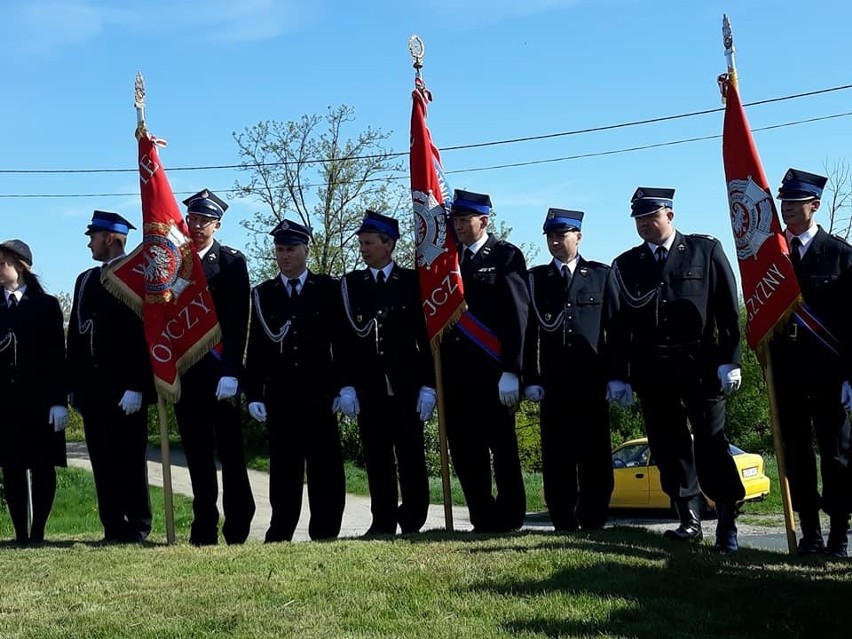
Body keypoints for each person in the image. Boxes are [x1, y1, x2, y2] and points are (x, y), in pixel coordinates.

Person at [607, 187, 745, 552]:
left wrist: (731, 358)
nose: (644, 225)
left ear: (669, 215)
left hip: (700, 365)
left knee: (712, 445)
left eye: (650, 217)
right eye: (638, 219)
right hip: (654, 369)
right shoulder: (626, 264)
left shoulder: (705, 250)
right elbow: (618, 325)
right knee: (668, 446)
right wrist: (619, 375)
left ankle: (727, 521)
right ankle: (689, 519)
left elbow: (727, 310)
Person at [244, 219, 346, 542]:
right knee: (284, 470)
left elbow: (341, 343)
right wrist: (254, 393)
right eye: (279, 249)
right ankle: (281, 531)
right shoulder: (263, 294)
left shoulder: (328, 289)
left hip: (320, 395)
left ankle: (326, 531)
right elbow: (257, 348)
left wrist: (344, 386)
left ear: (306, 250)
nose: (284, 256)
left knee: (325, 469)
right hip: (281, 396)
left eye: (290, 249)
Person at [337, 210, 435, 536]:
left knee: (410, 458)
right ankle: (382, 522)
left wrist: (429, 385)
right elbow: (345, 342)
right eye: (361, 243)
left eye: (369, 243)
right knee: (377, 459)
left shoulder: (412, 282)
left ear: (388, 244)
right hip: (370, 388)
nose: (363, 249)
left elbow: (427, 338)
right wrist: (346, 385)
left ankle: (412, 521)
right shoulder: (352, 285)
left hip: (407, 387)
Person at [770, 169, 852, 558]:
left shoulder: (839, 254)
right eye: (784, 202)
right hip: (786, 374)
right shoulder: (772, 257)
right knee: (796, 454)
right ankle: (810, 532)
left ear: (814, 205)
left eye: (795, 202)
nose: (787, 209)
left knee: (836, 455)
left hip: (829, 374)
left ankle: (838, 533)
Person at [439, 189, 530, 533]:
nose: (458, 226)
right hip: (457, 375)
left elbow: (517, 316)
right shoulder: (447, 262)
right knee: (465, 451)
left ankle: (510, 517)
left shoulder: (505, 255)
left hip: (494, 372)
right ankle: (481, 515)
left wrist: (512, 369)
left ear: (484, 220)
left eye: (464, 220)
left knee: (502, 450)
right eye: (455, 220)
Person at [523, 209, 618, 531]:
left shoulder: (601, 275)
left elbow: (615, 330)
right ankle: (562, 517)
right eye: (550, 236)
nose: (555, 242)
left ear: (578, 236)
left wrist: (618, 375)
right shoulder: (536, 279)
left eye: (561, 235)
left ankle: (593, 517)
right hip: (554, 383)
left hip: (592, 381)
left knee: (594, 454)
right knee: (557, 456)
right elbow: (528, 334)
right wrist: (530, 377)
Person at [174, 189, 255, 546]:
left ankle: (238, 526)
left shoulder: (232, 262)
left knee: (232, 456)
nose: (196, 225)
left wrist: (233, 372)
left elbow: (239, 321)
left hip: (221, 371)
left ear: (217, 225)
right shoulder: (176, 262)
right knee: (197, 456)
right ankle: (203, 527)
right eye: (192, 218)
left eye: (204, 220)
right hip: (188, 373)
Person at [67, 211, 153, 543]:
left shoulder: (137, 277)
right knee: (102, 461)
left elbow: (147, 338)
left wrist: (138, 386)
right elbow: (76, 336)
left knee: (130, 460)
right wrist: (72, 385)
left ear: (111, 238)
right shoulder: (85, 280)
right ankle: (113, 526)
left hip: (126, 389)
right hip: (93, 389)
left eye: (94, 236)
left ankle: (139, 524)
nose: (90, 242)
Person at [0, 240, 68, 546]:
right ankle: (20, 534)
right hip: (5, 401)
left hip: (40, 399)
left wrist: (58, 401)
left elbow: (57, 356)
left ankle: (38, 531)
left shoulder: (46, 305)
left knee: (43, 465)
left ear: (20, 266)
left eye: (2, 263)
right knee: (11, 466)